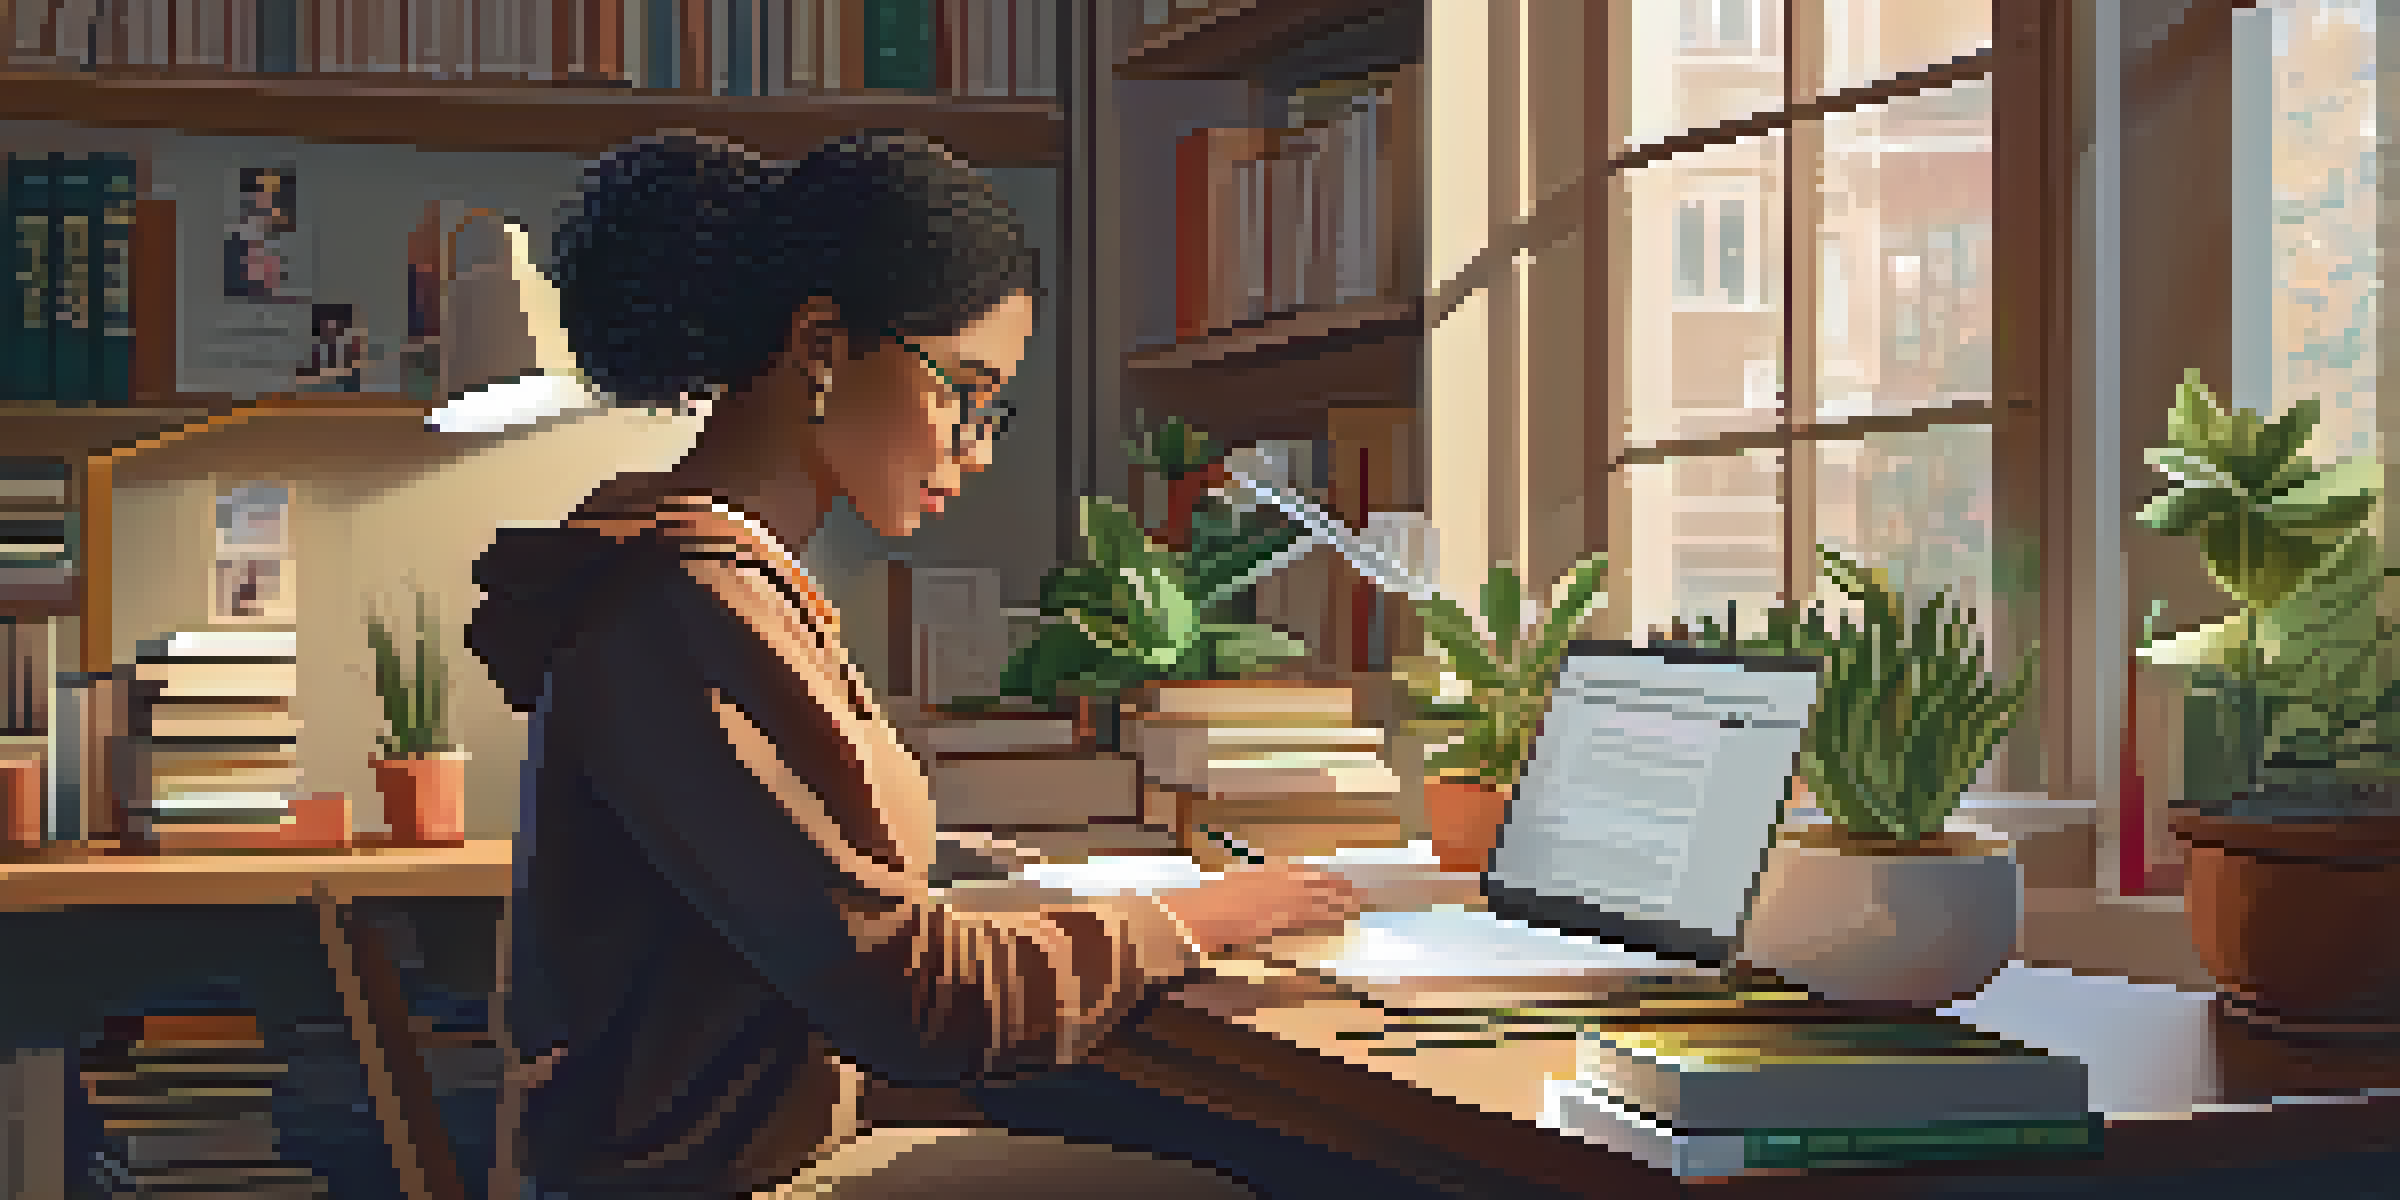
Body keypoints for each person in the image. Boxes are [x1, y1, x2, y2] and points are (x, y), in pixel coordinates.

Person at [465, 131, 1375, 1200]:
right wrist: (1211, 916)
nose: (978, 447)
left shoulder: (717, 586)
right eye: (964, 389)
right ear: (822, 347)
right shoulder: (693, 607)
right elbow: (917, 1004)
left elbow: (858, 947)